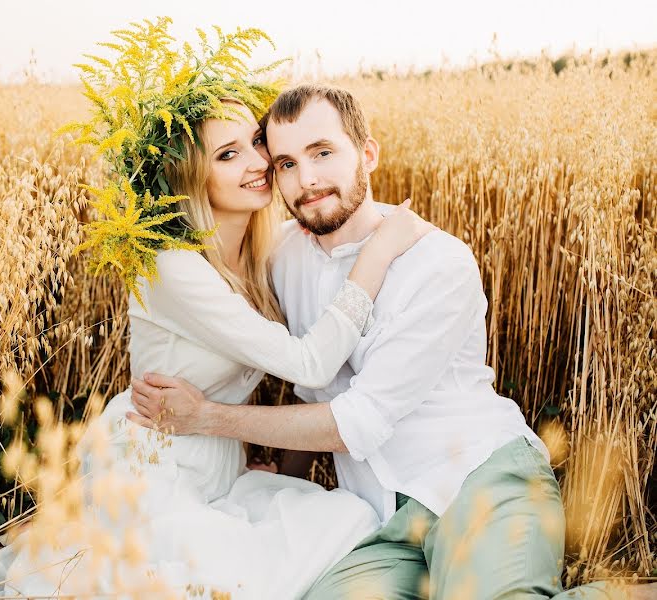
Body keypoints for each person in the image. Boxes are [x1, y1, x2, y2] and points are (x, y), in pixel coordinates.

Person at [128, 84, 631, 600]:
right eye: (286, 163)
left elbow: (358, 423)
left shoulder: (438, 262)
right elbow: (311, 393)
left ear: (367, 153)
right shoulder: (283, 257)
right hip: (382, 519)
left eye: (323, 153)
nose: (308, 180)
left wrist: (207, 417)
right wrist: (286, 473)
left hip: (476, 479)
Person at [0, 80, 434, 598]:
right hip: (152, 459)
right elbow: (312, 365)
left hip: (219, 459)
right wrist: (377, 256)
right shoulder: (172, 267)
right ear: (192, 178)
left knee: (342, 519)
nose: (259, 162)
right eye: (229, 155)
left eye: (256, 143)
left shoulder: (261, 248)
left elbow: (330, 222)